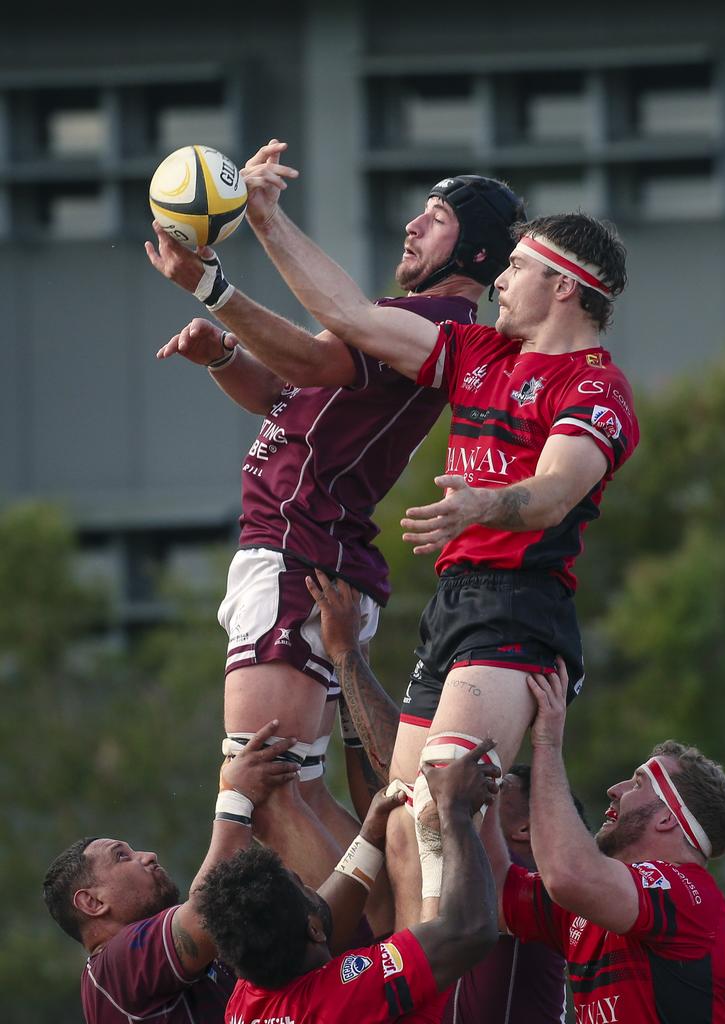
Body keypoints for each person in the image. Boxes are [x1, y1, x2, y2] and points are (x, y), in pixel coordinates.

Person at [228, 141, 640, 926]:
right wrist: (266, 218)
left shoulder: (596, 386)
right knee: (404, 821)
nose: (501, 282)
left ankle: (465, 985)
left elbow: (553, 493)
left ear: (563, 287)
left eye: (516, 268)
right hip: (454, 606)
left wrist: (486, 505)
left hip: (518, 611)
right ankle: (429, 986)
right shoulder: (479, 354)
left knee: (441, 804)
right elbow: (348, 316)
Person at [144, 140, 526, 894]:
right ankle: (375, 953)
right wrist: (224, 358)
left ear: (475, 251)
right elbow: (285, 397)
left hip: (300, 549)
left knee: (274, 787)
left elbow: (311, 363)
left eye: (438, 217)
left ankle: (373, 957)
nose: (414, 226)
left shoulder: (433, 322)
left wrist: (215, 287)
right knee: (300, 789)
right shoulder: (406, 320)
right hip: (307, 550)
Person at [307, 569, 577, 1024]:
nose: (478, 784)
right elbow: (397, 800)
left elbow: (425, 791)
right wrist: (347, 661)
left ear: (526, 828)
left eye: (498, 784)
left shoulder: (524, 883)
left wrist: (347, 656)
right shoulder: (466, 856)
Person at [502, 660, 725, 1023]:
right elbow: (492, 888)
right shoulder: (595, 899)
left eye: (637, 783)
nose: (614, 791)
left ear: (667, 817)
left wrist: (548, 743)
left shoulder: (690, 895)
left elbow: (569, 874)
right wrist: (479, 790)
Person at [196, 739, 501, 1024]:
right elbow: (469, 931)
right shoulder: (339, 998)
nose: (317, 890)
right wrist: (455, 809)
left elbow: (323, 914)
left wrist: (368, 839)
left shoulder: (250, 987)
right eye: (307, 889)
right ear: (313, 930)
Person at [42, 722, 300, 1024]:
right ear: (92, 903)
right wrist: (235, 796)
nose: (148, 856)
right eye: (122, 856)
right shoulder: (113, 967)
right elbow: (213, 905)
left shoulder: (183, 963)